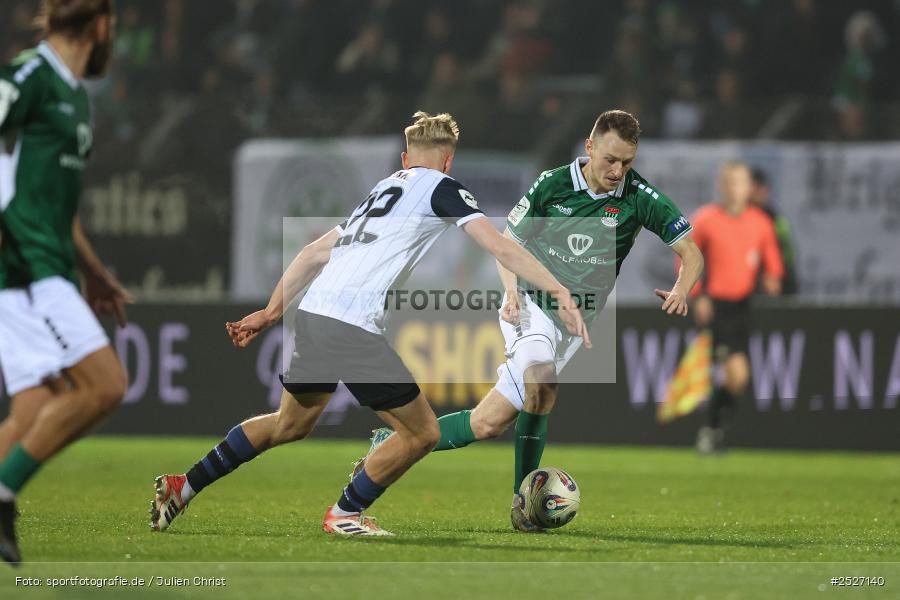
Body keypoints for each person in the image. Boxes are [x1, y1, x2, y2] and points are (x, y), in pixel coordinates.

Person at [149, 112, 589, 536]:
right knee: (422, 434)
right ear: (448, 160)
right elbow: (500, 246)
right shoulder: (443, 187)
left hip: (315, 314)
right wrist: (559, 290)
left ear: (405, 158)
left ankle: (182, 487)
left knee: (289, 424)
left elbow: (311, 253)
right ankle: (346, 513)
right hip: (351, 324)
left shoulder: (380, 193)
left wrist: (270, 312)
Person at [355, 109, 705, 532]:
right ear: (589, 147)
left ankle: (390, 445)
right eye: (610, 159)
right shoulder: (552, 185)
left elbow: (691, 252)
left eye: (627, 162)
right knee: (542, 376)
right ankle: (524, 502)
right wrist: (511, 290)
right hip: (531, 305)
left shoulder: (638, 197)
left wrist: (683, 287)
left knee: (488, 423)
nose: (618, 171)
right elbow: (509, 242)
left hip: (574, 324)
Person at [0, 0, 130, 565]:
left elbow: (56, 206)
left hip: (44, 260)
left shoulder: (74, 95)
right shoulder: (30, 74)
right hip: (25, 265)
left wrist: (94, 272)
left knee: (33, 413)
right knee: (104, 385)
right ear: (101, 26)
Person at [691, 162, 784, 454]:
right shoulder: (706, 219)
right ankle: (711, 431)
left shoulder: (761, 222)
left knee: (738, 378)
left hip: (743, 306)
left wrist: (772, 278)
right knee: (736, 372)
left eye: (740, 182)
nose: (734, 188)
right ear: (722, 186)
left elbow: (773, 260)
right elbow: (686, 258)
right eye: (729, 182)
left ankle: (712, 430)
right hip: (717, 305)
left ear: (749, 188)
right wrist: (697, 295)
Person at [750, 168, 797, 295]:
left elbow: (787, 255)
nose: (758, 192)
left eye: (761, 187)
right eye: (755, 187)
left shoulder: (776, 220)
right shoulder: (735, 218)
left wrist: (775, 276)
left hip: (771, 285)